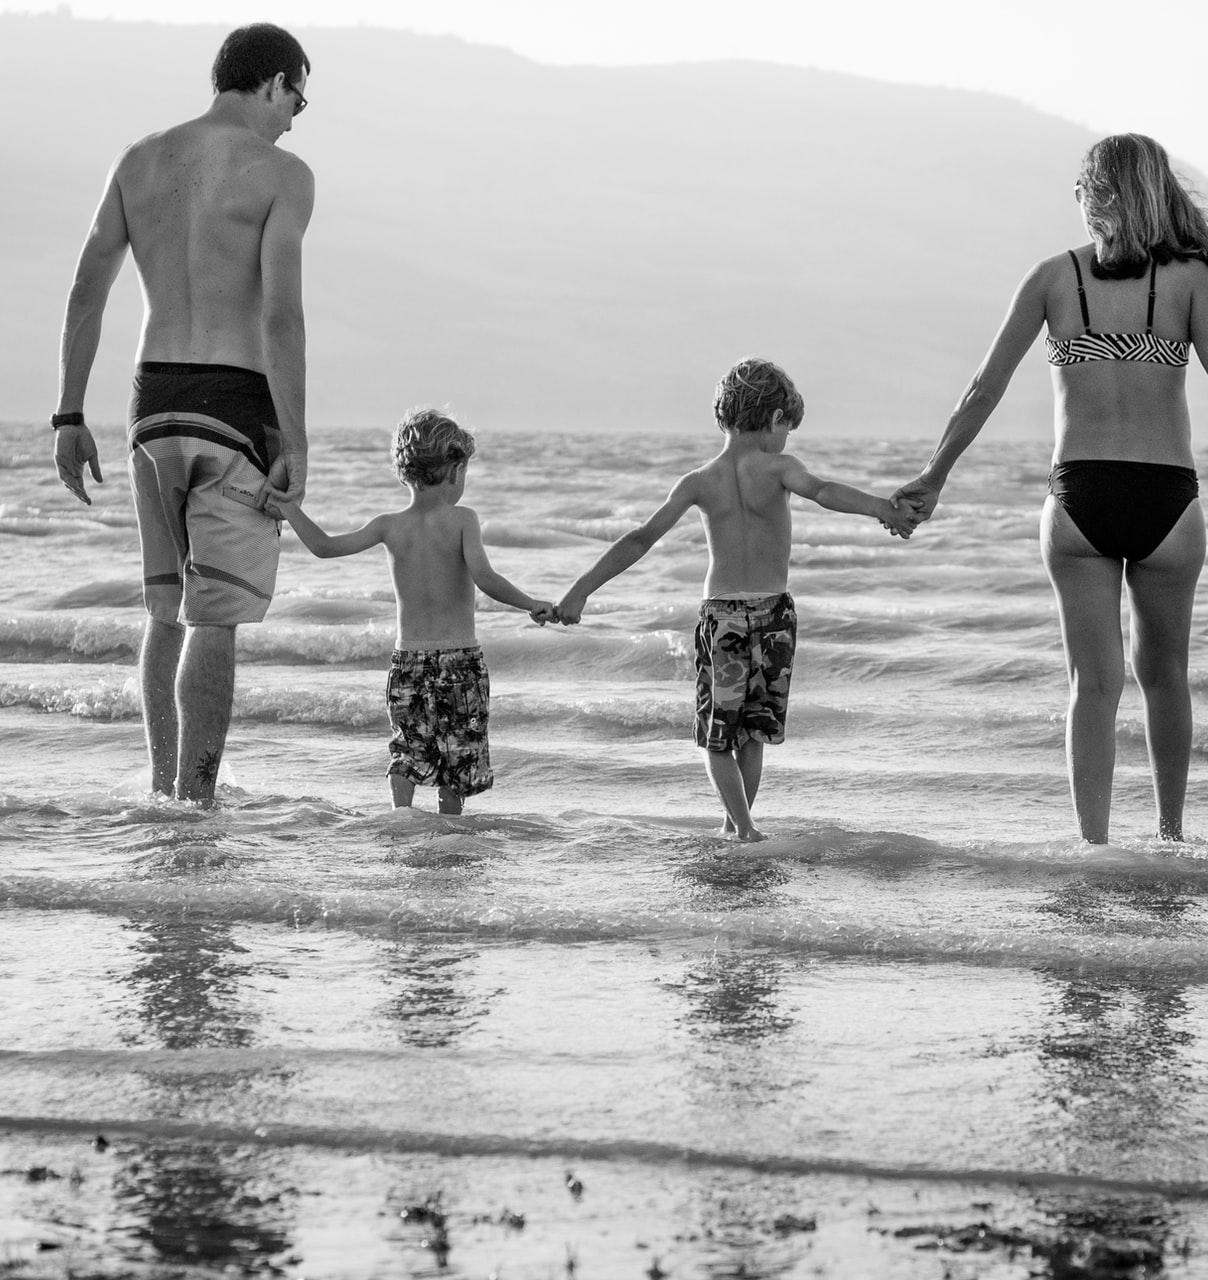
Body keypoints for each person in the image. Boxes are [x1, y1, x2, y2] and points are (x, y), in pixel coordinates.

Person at [892, 133, 1208, 845]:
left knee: (1092, 686)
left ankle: (1093, 850)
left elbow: (984, 388)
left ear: (1096, 196)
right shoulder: (1191, 280)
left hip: (1079, 499)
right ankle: (1170, 837)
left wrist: (934, 477)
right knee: (1166, 677)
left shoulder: (1051, 278)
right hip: (1170, 498)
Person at [51, 23, 315, 805]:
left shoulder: (140, 160)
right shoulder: (282, 173)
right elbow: (281, 317)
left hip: (150, 402)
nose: (298, 115)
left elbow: (86, 287)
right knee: (215, 618)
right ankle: (197, 801)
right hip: (233, 403)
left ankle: (161, 790)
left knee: (165, 609)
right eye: (299, 96)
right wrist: (294, 436)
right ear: (272, 82)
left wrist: (69, 413)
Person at [556, 357, 917, 842]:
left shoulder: (699, 480)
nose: (787, 440)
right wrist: (882, 509)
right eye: (788, 429)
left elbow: (641, 538)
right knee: (755, 729)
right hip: (773, 615)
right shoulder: (781, 469)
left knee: (719, 731)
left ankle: (735, 823)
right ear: (775, 420)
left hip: (723, 615)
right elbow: (825, 491)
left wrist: (579, 591)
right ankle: (745, 826)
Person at [269, 409, 556, 814]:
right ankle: (449, 828)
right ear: (455, 470)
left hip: (407, 662)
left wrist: (290, 509)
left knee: (409, 746)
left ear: (406, 471)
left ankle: (400, 815)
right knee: (458, 756)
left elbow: (324, 547)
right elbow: (485, 577)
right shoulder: (462, 520)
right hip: (459, 661)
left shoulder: (389, 525)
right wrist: (532, 604)